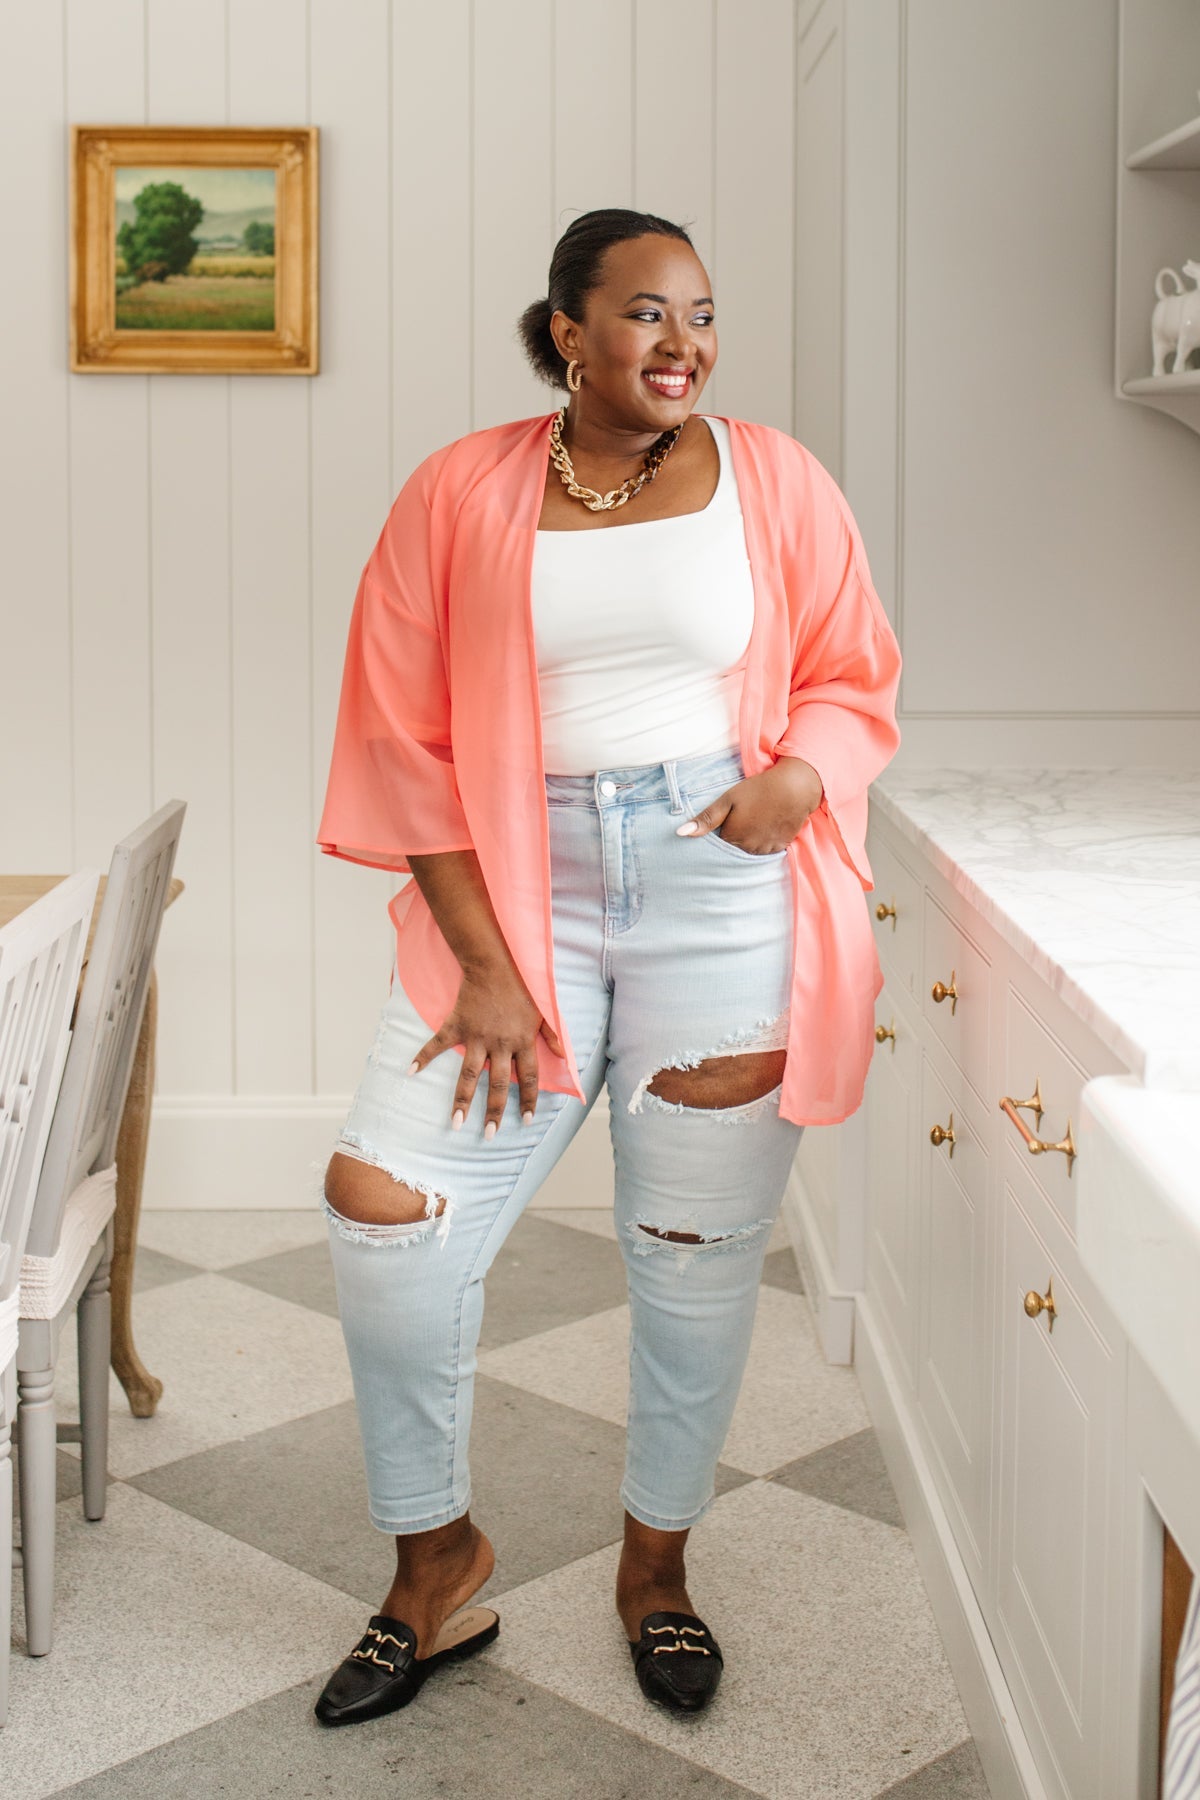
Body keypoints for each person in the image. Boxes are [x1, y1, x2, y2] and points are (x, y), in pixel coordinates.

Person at [312, 207, 902, 1727]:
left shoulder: (777, 478)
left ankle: (658, 1569)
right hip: (520, 893)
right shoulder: (461, 489)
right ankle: (435, 1563)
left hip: (726, 890)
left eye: (700, 312)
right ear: (568, 332)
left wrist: (800, 778)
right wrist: (487, 965)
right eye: (646, 312)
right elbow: (401, 739)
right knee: (386, 1211)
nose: (682, 342)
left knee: (692, 1259)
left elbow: (853, 674)